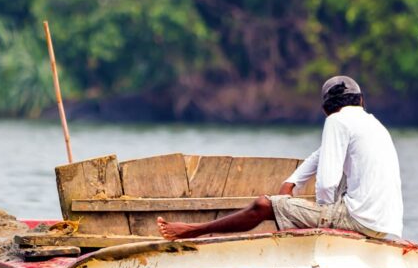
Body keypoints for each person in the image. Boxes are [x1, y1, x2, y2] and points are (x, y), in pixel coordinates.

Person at [157, 76, 403, 241]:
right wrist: (292, 182)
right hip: (386, 225)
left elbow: (327, 184)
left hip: (358, 220)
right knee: (291, 199)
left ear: (326, 109)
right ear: (361, 101)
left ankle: (192, 231)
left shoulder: (336, 121)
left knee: (264, 205)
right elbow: (322, 154)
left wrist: (320, 215)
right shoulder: (373, 123)